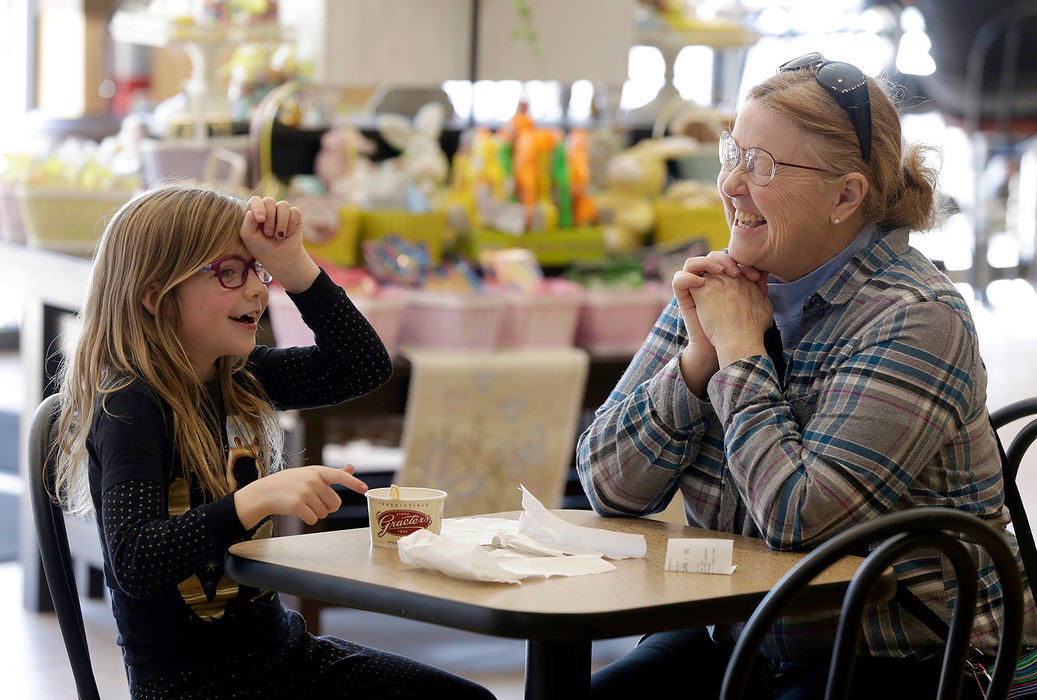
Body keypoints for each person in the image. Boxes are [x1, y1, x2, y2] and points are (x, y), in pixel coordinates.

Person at [577, 53, 1037, 699]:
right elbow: (607, 488)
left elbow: (801, 525)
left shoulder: (915, 318)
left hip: (908, 657)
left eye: (760, 166)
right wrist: (695, 362)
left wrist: (739, 353)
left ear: (845, 195)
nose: (732, 184)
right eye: (731, 153)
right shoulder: (722, 287)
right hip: (743, 633)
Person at [51, 185, 494, 699]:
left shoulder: (236, 376)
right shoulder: (129, 404)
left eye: (257, 270)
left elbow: (362, 366)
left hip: (282, 657)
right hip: (194, 687)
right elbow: (136, 560)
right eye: (230, 272)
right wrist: (257, 497)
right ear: (155, 295)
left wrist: (293, 264)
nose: (259, 291)